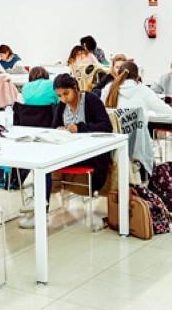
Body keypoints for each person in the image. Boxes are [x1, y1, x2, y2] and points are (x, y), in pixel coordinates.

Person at [19, 74, 111, 228]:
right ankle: (38, 207)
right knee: (42, 162)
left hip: (90, 154)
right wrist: (59, 130)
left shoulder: (90, 100)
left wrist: (81, 128)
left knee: (45, 165)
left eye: (66, 93)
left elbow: (106, 127)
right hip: (68, 150)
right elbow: (55, 125)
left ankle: (40, 209)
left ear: (75, 88)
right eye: (59, 95)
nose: (63, 99)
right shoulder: (62, 105)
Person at [101, 61, 172, 118]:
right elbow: (167, 111)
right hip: (138, 136)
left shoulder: (108, 88)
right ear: (137, 76)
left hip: (115, 135)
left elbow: (101, 110)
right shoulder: (143, 90)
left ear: (118, 74)